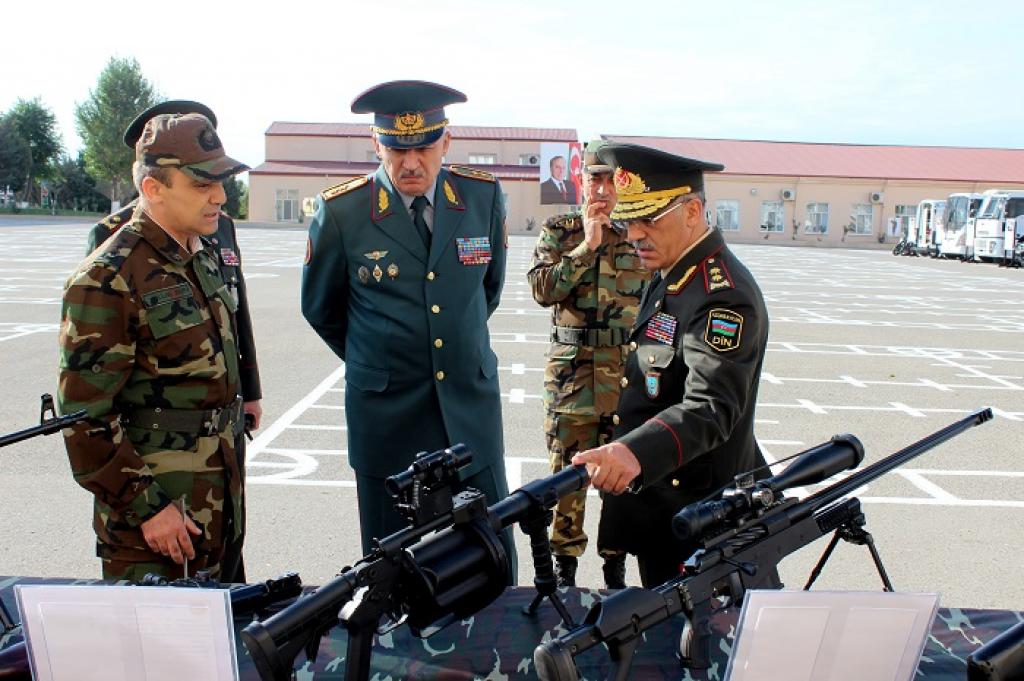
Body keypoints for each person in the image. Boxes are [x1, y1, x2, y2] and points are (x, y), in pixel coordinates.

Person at [301, 80, 516, 581]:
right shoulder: (343, 211)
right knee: (394, 570)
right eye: (398, 150)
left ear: (447, 142)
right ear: (376, 145)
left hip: (469, 410)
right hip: (388, 416)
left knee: (490, 557)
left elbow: (487, 291)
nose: (411, 163)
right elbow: (322, 308)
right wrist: (376, 358)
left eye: (423, 148)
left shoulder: (481, 197)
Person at [572, 142, 774, 588]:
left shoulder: (723, 295)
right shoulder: (673, 272)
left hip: (705, 518)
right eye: (628, 220)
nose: (634, 234)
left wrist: (634, 452)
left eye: (649, 219)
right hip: (664, 506)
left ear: (692, 211)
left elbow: (710, 407)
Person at [58, 112, 250, 582]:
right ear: (153, 189)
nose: (220, 196)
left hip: (218, 499)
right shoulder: (108, 277)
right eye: (202, 184)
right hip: (158, 521)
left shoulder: (199, 256)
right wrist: (147, 508)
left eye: (220, 182)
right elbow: (84, 419)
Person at [527, 140, 650, 589]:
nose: (601, 190)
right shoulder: (559, 231)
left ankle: (615, 567)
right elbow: (542, 289)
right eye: (594, 179)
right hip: (572, 378)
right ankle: (565, 570)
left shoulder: (640, 233)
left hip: (626, 377)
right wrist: (586, 247)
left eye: (610, 181)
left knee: (623, 475)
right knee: (568, 476)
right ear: (581, 182)